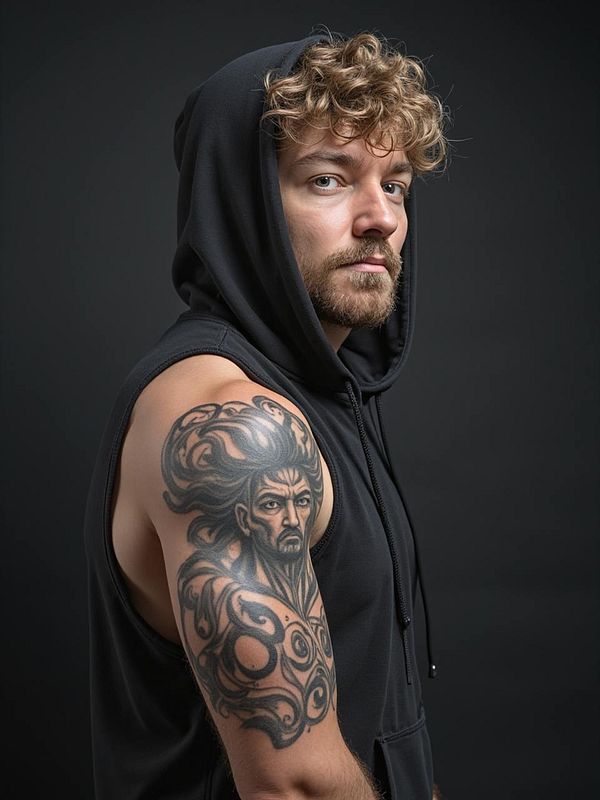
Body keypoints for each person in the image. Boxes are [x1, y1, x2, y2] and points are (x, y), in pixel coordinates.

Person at [84, 30, 448, 800]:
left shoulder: (320, 395)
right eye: (328, 179)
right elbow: (296, 786)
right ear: (240, 205)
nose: (379, 217)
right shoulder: (237, 425)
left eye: (396, 184)